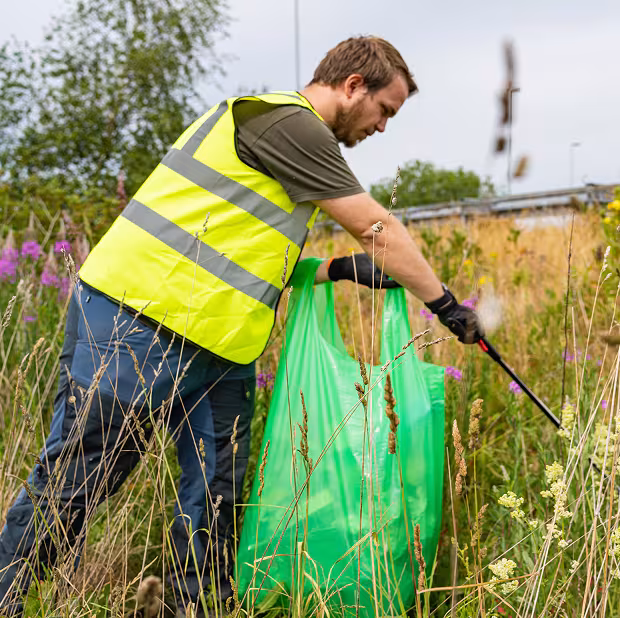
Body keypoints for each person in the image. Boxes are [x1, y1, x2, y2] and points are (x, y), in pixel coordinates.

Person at [0, 36, 483, 617]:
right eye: (385, 110)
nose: (383, 127)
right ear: (354, 86)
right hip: (138, 318)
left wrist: (332, 270)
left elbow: (243, 247)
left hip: (219, 346)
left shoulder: (290, 141)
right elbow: (377, 227)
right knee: (80, 480)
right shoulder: (286, 124)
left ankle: (193, 608)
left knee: (217, 496)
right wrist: (445, 304)